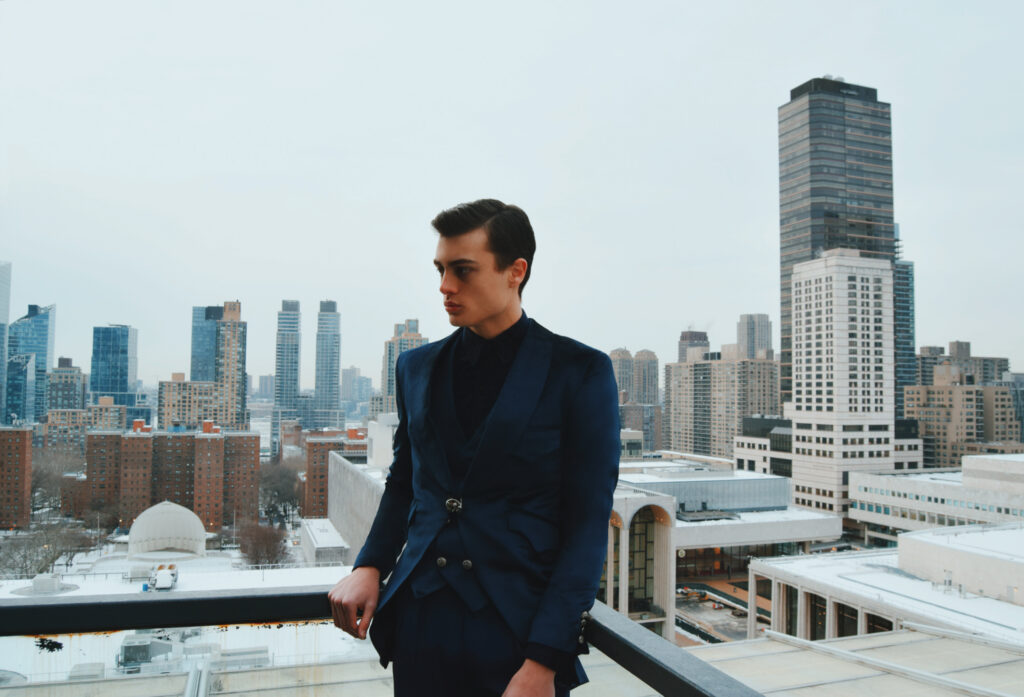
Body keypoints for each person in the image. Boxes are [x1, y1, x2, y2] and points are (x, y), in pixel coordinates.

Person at [328, 199, 619, 697]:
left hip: (517, 633)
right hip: (419, 625)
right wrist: (369, 565)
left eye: (463, 270)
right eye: (441, 269)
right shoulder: (415, 368)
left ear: (515, 272)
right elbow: (406, 482)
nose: (445, 286)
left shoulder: (580, 372)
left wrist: (544, 661)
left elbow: (586, 525)